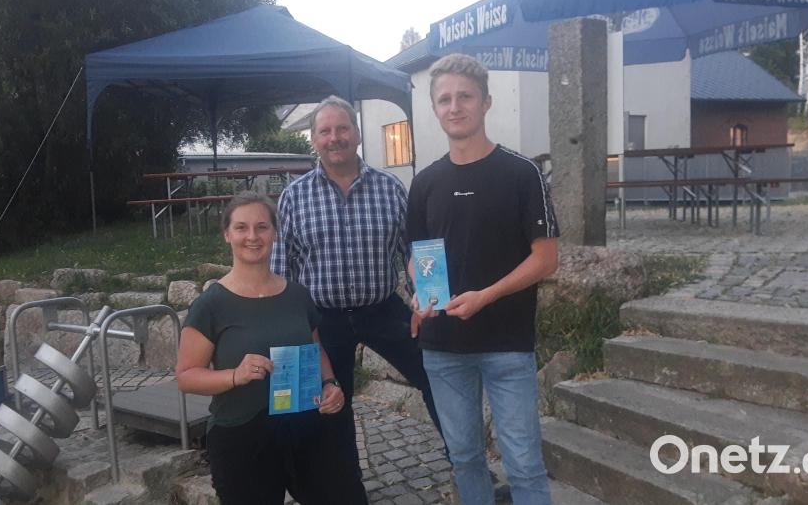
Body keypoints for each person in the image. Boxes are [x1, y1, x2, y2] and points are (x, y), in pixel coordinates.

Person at [407, 53, 560, 505]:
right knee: (465, 458)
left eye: (465, 97)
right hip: (443, 348)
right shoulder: (425, 183)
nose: (455, 107)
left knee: (525, 464)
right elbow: (419, 256)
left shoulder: (522, 173)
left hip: (507, 345)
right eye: (445, 99)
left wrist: (486, 296)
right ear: (435, 108)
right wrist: (421, 290)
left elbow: (546, 259)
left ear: (486, 102)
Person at [270, 95, 444, 482]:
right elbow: (281, 271)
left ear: (358, 134)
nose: (335, 137)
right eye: (325, 130)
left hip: (383, 309)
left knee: (437, 375)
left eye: (342, 128)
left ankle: (465, 464)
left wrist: (429, 299)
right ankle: (343, 486)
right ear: (313, 139)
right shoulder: (294, 198)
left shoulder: (391, 188)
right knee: (330, 404)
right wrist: (287, 331)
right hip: (322, 318)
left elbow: (417, 250)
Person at [176, 191, 364, 505]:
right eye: (241, 227)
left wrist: (330, 384)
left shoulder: (298, 296)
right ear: (227, 235)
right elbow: (185, 376)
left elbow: (315, 349)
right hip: (242, 436)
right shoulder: (212, 304)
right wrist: (235, 375)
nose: (252, 236)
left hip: (306, 427)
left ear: (274, 234)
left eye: (262, 227)